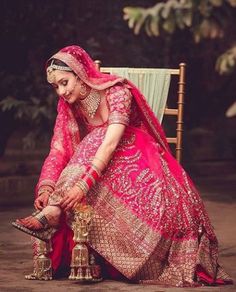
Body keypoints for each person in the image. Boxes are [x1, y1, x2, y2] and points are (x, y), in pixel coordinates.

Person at [12, 45, 232, 287]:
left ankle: (54, 213)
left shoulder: (117, 92)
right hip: (99, 163)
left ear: (81, 74)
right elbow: (59, 149)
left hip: (135, 154)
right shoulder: (69, 106)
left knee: (95, 140)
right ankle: (57, 213)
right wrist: (46, 188)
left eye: (65, 83)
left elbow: (110, 141)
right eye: (55, 87)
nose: (61, 92)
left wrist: (83, 186)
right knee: (86, 147)